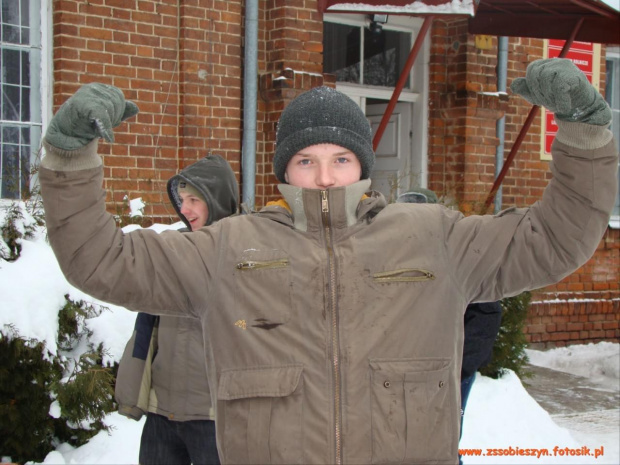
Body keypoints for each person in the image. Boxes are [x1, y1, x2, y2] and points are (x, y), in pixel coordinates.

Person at [38, 58, 617, 464]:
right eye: (306, 161)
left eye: (341, 158)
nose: (323, 177)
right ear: (284, 171)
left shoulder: (434, 237)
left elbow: (555, 238)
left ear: (363, 168)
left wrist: (585, 134)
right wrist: (69, 160)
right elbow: (101, 259)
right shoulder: (227, 248)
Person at [115, 155, 238, 465]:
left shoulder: (244, 252)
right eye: (182, 200)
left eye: (194, 199)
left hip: (215, 417)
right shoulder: (176, 251)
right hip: (162, 415)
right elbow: (146, 328)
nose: (184, 209)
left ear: (217, 198)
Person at [396, 190, 503, 465]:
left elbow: (486, 315)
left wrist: (458, 366)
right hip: (398, 373)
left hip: (450, 374)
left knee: (441, 443)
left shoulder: (460, 257)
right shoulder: (391, 258)